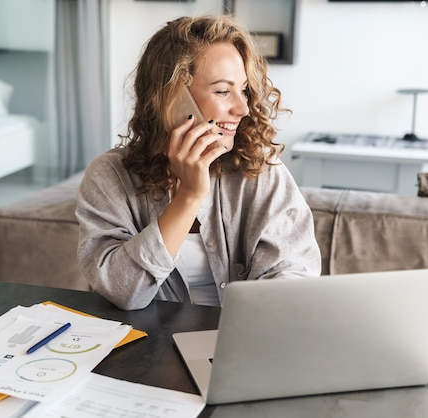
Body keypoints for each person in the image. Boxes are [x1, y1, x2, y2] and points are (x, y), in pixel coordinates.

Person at [76, 15, 321, 311]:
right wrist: (189, 197)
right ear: (171, 99)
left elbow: (293, 276)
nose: (242, 108)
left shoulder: (260, 169)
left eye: (243, 89)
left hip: (242, 344)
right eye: (222, 91)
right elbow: (122, 292)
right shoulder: (109, 177)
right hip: (150, 351)